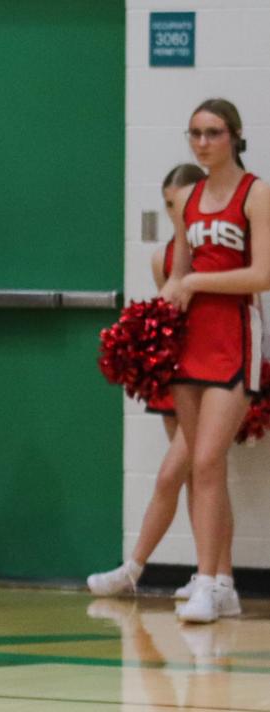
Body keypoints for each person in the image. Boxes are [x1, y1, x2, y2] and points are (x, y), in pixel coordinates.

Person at [91, 164, 226, 600]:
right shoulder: (162, 258)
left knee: (173, 474)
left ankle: (134, 568)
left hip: (221, 375)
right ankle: (219, 578)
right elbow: (166, 324)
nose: (178, 213)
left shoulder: (225, 258)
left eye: (185, 203)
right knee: (198, 478)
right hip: (179, 379)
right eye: (170, 205)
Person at [161, 99, 269, 623]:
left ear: (235, 136)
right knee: (204, 470)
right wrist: (149, 324)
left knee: (205, 460)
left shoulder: (257, 194)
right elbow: (176, 275)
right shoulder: (188, 199)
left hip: (234, 337)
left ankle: (206, 581)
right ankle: (219, 581)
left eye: (214, 132)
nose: (203, 142)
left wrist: (197, 282)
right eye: (196, 133)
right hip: (190, 342)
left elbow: (261, 275)